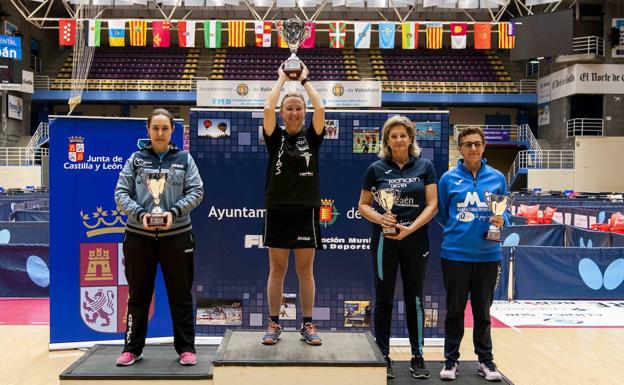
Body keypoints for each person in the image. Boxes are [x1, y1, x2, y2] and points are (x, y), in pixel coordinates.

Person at [114, 108, 204, 366]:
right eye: (156, 128)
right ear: (148, 130)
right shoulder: (135, 160)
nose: (160, 133)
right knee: (138, 296)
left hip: (177, 237)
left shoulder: (184, 160)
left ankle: (186, 349)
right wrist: (140, 213)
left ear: (173, 130)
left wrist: (173, 212)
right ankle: (132, 348)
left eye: (165, 128)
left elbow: (197, 192)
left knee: (181, 295)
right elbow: (121, 193)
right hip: (138, 237)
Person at [357, 115, 438, 379]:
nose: (399, 140)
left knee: (415, 298)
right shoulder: (376, 169)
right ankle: (383, 355)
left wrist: (410, 229)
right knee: (383, 298)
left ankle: (418, 355)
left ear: (411, 138)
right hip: (384, 241)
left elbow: (432, 205)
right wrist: (381, 218)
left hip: (415, 239)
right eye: (394, 136)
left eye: (403, 135)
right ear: (387, 141)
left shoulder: (425, 166)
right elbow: (363, 205)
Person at [436, 126, 508, 382]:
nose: (473, 149)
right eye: (468, 144)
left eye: (477, 144)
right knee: (454, 311)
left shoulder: (498, 177)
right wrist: (459, 232)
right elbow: (443, 214)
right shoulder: (447, 179)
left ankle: (485, 361)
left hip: (488, 256)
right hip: (454, 255)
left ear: (484, 146)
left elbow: (505, 211)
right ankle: (451, 360)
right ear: (460, 148)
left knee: (482, 313)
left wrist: (502, 219)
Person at [261, 61, 325, 346]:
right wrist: (280, 80)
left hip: (306, 210)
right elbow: (266, 110)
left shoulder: (312, 137)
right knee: (277, 269)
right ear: (283, 113)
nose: (295, 112)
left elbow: (321, 110)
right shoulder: (275, 138)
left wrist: (305, 81)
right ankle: (274, 323)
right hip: (278, 208)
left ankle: (308, 323)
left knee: (305, 270)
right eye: (290, 108)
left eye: (299, 108)